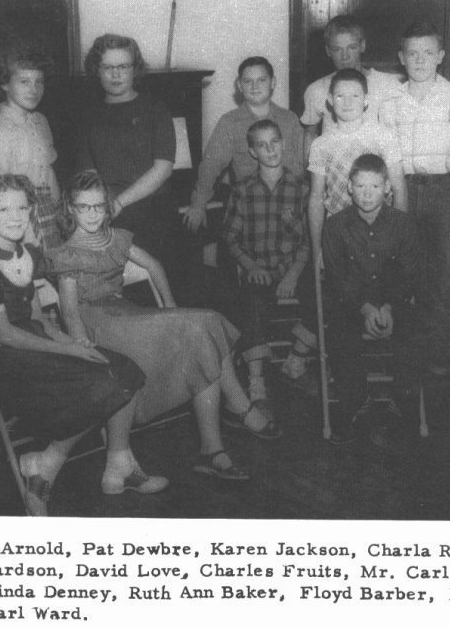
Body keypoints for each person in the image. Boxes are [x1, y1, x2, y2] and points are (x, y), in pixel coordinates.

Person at [52, 170, 282, 482]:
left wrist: (171, 305)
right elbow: (68, 309)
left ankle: (213, 446)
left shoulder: (116, 238)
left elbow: (154, 265)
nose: (92, 214)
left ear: (107, 207)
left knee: (206, 325)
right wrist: (80, 344)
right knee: (202, 327)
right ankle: (234, 418)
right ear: (70, 209)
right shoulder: (68, 253)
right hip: (98, 325)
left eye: (98, 206)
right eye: (83, 207)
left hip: (125, 315)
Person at [0, 174, 168, 516]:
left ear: (31, 210)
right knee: (99, 382)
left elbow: (38, 318)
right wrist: (68, 349)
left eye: (22, 208)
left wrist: (73, 340)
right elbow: (5, 335)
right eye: (3, 209)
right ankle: (46, 466)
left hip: (36, 342)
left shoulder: (26, 252)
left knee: (123, 368)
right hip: (4, 359)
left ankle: (117, 464)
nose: (15, 216)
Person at [380, 20, 450, 377]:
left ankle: (441, 368)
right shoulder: (390, 102)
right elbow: (384, 151)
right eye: (412, 53)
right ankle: (406, 364)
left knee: (445, 282)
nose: (420, 60)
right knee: (403, 278)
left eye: (428, 53)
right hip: (403, 190)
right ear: (402, 57)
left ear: (441, 56)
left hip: (446, 192)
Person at [320, 154, 419, 445]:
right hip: (352, 303)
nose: (367, 193)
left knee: (413, 329)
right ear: (349, 187)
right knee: (340, 332)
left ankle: (399, 405)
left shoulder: (403, 224)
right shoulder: (335, 227)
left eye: (375, 187)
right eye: (360, 186)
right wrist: (365, 309)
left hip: (393, 302)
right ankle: (357, 404)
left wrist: (389, 307)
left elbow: (408, 275)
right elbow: (337, 279)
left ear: (388, 187)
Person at [221, 120, 314, 405]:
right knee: (252, 303)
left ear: (283, 144)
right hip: (258, 269)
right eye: (262, 145)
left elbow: (307, 240)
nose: (270, 149)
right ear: (252, 152)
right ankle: (257, 378)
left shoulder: (300, 188)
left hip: (290, 270)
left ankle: (295, 360)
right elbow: (230, 238)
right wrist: (251, 267)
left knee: (321, 296)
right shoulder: (243, 189)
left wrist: (293, 275)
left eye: (275, 142)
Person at [75, 34, 178, 283]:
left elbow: (162, 169)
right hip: (107, 215)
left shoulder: (155, 109)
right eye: (108, 67)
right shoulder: (88, 115)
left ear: (135, 70)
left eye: (123, 67)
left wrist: (119, 202)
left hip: (152, 213)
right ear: (97, 71)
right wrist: (101, 211)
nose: (115, 74)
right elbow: (88, 176)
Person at [183, 56, 305, 233]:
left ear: (273, 83)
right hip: (251, 207)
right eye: (248, 81)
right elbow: (211, 165)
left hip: (288, 203)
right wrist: (198, 204)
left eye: (262, 80)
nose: (255, 87)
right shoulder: (229, 123)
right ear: (239, 86)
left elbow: (301, 165)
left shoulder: (290, 119)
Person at [308, 68, 407, 275]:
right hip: (339, 232)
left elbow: (399, 190)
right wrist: (317, 249)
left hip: (379, 229)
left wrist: (397, 238)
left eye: (355, 95)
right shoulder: (321, 144)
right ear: (329, 100)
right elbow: (317, 197)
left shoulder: (383, 136)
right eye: (340, 96)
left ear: (366, 100)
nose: (347, 102)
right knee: (345, 297)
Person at [0, 45, 61, 253]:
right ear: (5, 84)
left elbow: (48, 173)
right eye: (24, 82)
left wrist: (59, 213)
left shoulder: (41, 120)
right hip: (20, 220)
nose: (33, 90)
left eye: (39, 82)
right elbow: (0, 195)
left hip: (50, 214)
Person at [301, 14, 401, 151]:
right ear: (328, 51)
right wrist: (309, 171)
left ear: (362, 46)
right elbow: (310, 134)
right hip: (333, 167)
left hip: (375, 167)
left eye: (351, 48)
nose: (345, 56)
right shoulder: (317, 90)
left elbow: (398, 135)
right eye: (337, 49)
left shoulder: (387, 84)